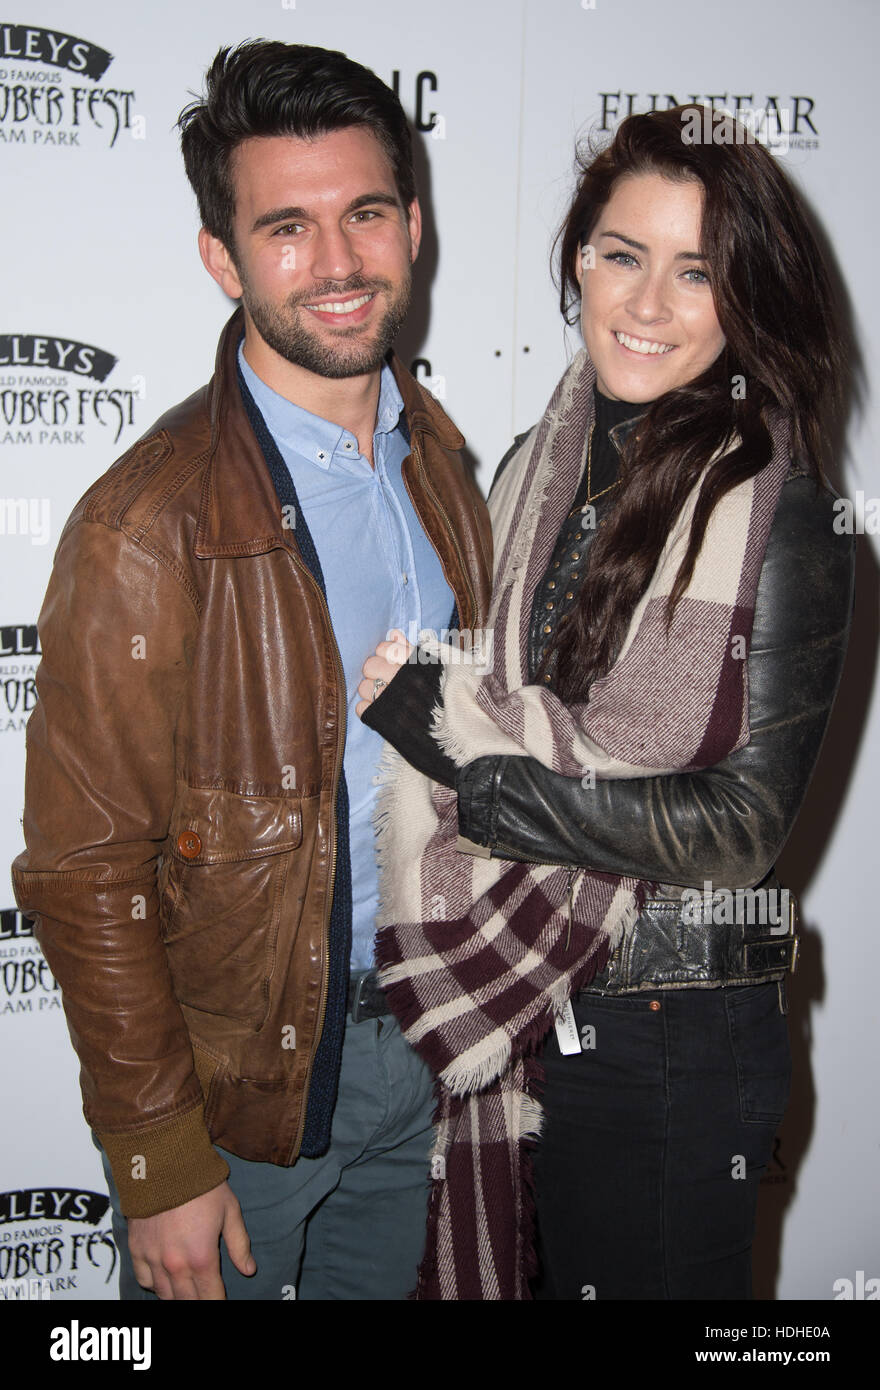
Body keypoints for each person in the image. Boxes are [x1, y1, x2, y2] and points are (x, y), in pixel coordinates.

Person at [12, 40, 491, 1301]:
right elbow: (82, 865)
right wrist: (158, 1158)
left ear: (413, 226)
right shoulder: (145, 525)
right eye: (286, 228)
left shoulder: (439, 458)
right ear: (223, 259)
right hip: (232, 1098)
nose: (336, 265)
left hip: (421, 1053)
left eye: (364, 214)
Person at [357, 105, 855, 1299]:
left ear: (746, 300)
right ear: (578, 256)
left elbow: (739, 830)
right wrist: (433, 718)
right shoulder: (533, 464)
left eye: (698, 273)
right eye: (623, 255)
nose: (647, 304)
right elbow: (491, 693)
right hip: (522, 1000)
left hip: (672, 1036)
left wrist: (483, 785)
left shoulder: (781, 510)